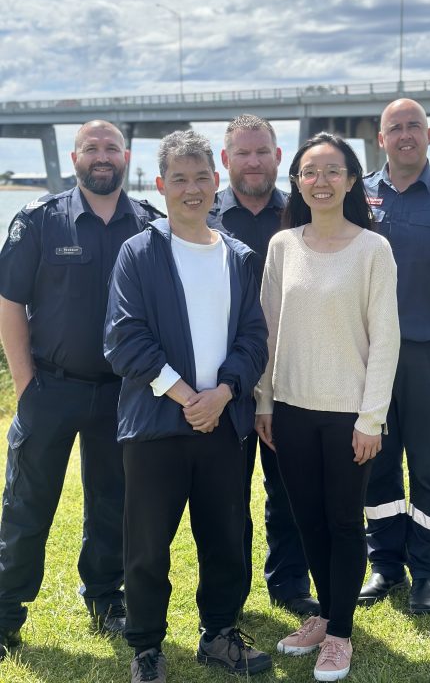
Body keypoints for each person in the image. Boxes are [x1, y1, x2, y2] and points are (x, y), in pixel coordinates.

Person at [104, 130, 272, 683]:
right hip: (156, 426)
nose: (193, 189)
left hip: (223, 425)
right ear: (160, 185)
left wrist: (222, 394)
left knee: (226, 536)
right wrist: (187, 397)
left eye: (202, 177)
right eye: (180, 178)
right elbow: (125, 339)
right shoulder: (139, 252)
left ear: (216, 182)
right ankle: (147, 646)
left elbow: (253, 338)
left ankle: (219, 634)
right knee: (148, 544)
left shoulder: (239, 257)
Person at [0, 120, 163, 660]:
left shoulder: (148, 226)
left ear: (126, 156)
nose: (101, 156)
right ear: (74, 157)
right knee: (27, 503)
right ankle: (5, 611)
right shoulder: (40, 220)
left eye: (110, 148)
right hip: (51, 386)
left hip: (122, 393)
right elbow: (9, 303)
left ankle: (104, 597)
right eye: (91, 147)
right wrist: (25, 385)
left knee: (114, 503)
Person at [255, 133, 399, 681]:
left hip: (348, 414)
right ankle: (327, 613)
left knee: (342, 521)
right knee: (307, 517)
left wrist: (371, 417)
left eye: (332, 171)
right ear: (296, 181)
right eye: (310, 172)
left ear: (352, 179)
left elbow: (386, 338)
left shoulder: (373, 249)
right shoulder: (282, 246)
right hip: (289, 409)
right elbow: (267, 330)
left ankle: (339, 634)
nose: (321, 181)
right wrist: (264, 400)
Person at [359, 99, 430, 613]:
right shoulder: (355, 194)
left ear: (429, 135)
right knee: (376, 466)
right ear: (380, 139)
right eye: (394, 128)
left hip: (427, 354)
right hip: (365, 359)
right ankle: (386, 564)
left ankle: (428, 571)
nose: (404, 135)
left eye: (413, 127)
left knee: (428, 466)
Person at [208, 113, 317, 617]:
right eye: (243, 153)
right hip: (220, 380)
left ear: (279, 157)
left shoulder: (303, 213)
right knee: (225, 497)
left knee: (288, 489)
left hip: (289, 377)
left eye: (263, 152)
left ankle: (290, 583)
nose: (254, 161)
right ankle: (229, 591)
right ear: (226, 160)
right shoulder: (202, 216)